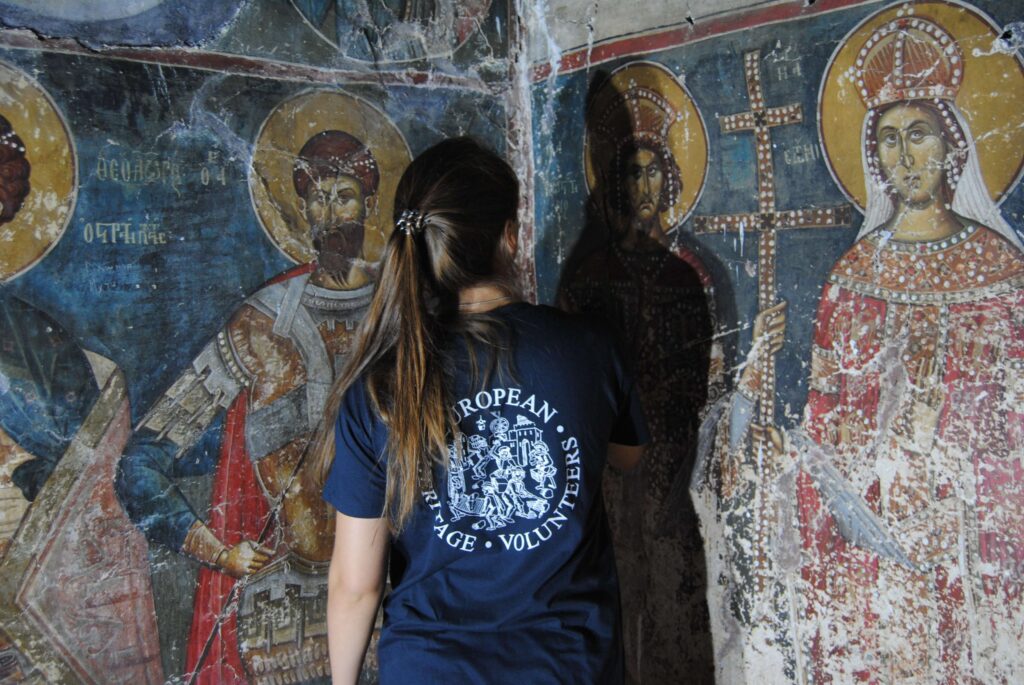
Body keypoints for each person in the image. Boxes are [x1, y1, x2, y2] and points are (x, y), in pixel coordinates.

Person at [727, 17, 1024, 682]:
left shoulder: (1001, 269)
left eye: (917, 134)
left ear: (951, 144)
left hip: (971, 538)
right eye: (888, 140)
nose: (903, 156)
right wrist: (793, 458)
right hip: (871, 543)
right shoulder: (854, 273)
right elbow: (828, 419)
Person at [316, 137, 648, 684]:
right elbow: (628, 457)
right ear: (509, 237)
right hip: (567, 667)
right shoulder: (589, 348)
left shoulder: (379, 388)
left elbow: (357, 585)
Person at [115, 130, 381, 684]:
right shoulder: (259, 324)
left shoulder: (401, 313)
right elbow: (140, 463)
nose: (331, 213)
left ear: (370, 204)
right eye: (318, 197)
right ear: (300, 210)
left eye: (346, 195)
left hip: (391, 598)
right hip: (279, 606)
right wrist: (217, 552)